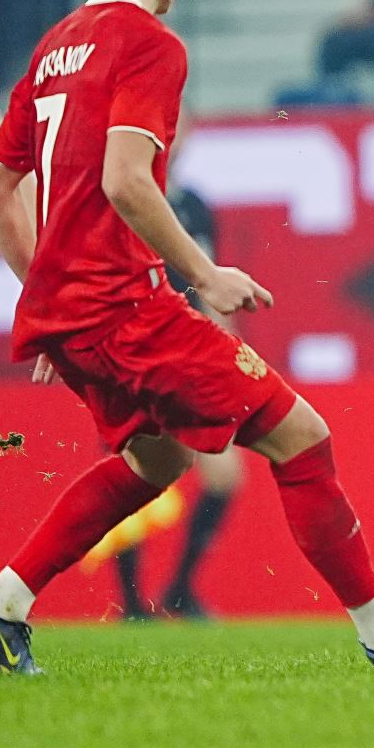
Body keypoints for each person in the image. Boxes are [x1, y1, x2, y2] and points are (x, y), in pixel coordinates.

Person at [0, 0, 374, 674]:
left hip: (77, 312)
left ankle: (6, 602)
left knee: (157, 459)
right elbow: (126, 180)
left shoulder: (54, 49)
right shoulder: (148, 44)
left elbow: (2, 186)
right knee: (302, 437)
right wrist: (204, 274)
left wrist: (47, 297)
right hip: (127, 308)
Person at [112, 128, 241, 622]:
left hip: (192, 352)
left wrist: (231, 350)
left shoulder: (193, 206)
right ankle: (130, 603)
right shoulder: (119, 196)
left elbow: (212, 287)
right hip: (136, 352)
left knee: (224, 475)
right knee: (136, 472)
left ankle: (181, 589)